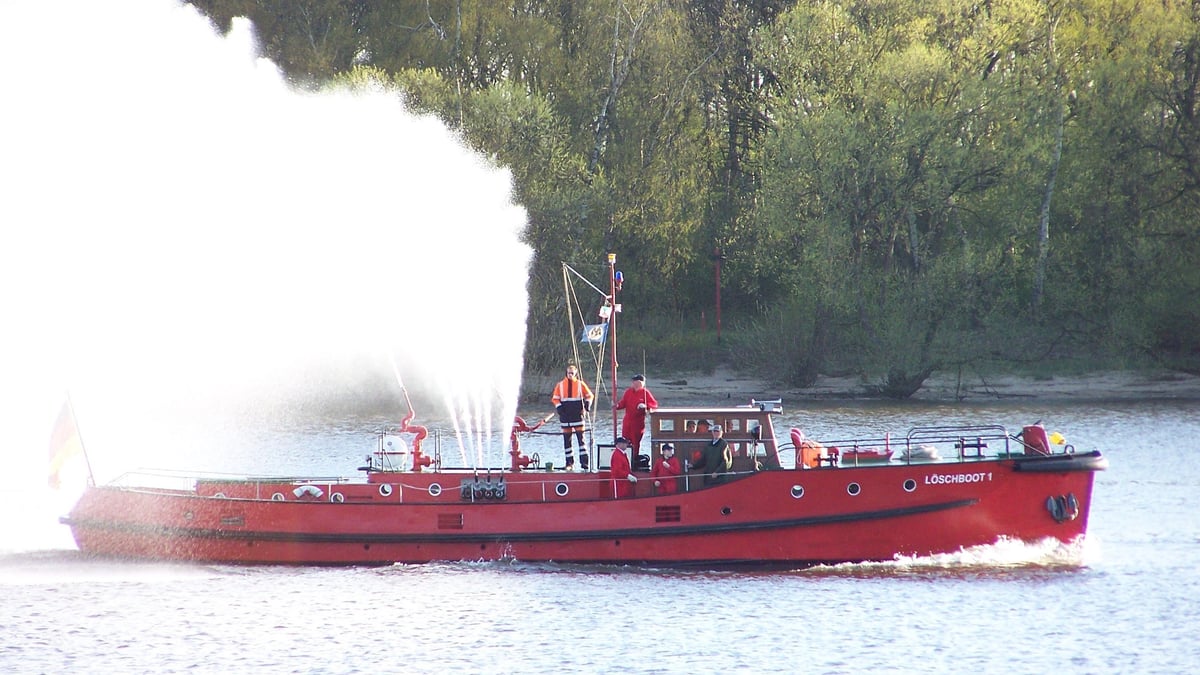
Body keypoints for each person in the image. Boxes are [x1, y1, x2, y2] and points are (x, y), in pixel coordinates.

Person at [551, 363, 594, 471]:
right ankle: (569, 463)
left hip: (578, 416)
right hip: (565, 416)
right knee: (567, 441)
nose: (570, 375)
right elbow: (555, 398)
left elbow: (589, 395)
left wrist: (588, 404)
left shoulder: (580, 384)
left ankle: (584, 463)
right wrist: (559, 407)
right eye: (569, 373)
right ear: (566, 373)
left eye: (572, 373)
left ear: (575, 374)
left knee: (581, 441)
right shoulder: (560, 385)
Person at [615, 374, 659, 453]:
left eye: (637, 382)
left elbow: (654, 404)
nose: (634, 384)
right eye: (634, 382)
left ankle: (634, 458)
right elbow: (623, 403)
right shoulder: (628, 392)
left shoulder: (645, 393)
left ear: (641, 383)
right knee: (624, 440)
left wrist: (645, 406)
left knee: (635, 442)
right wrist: (617, 406)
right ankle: (625, 456)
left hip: (637, 422)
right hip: (627, 421)